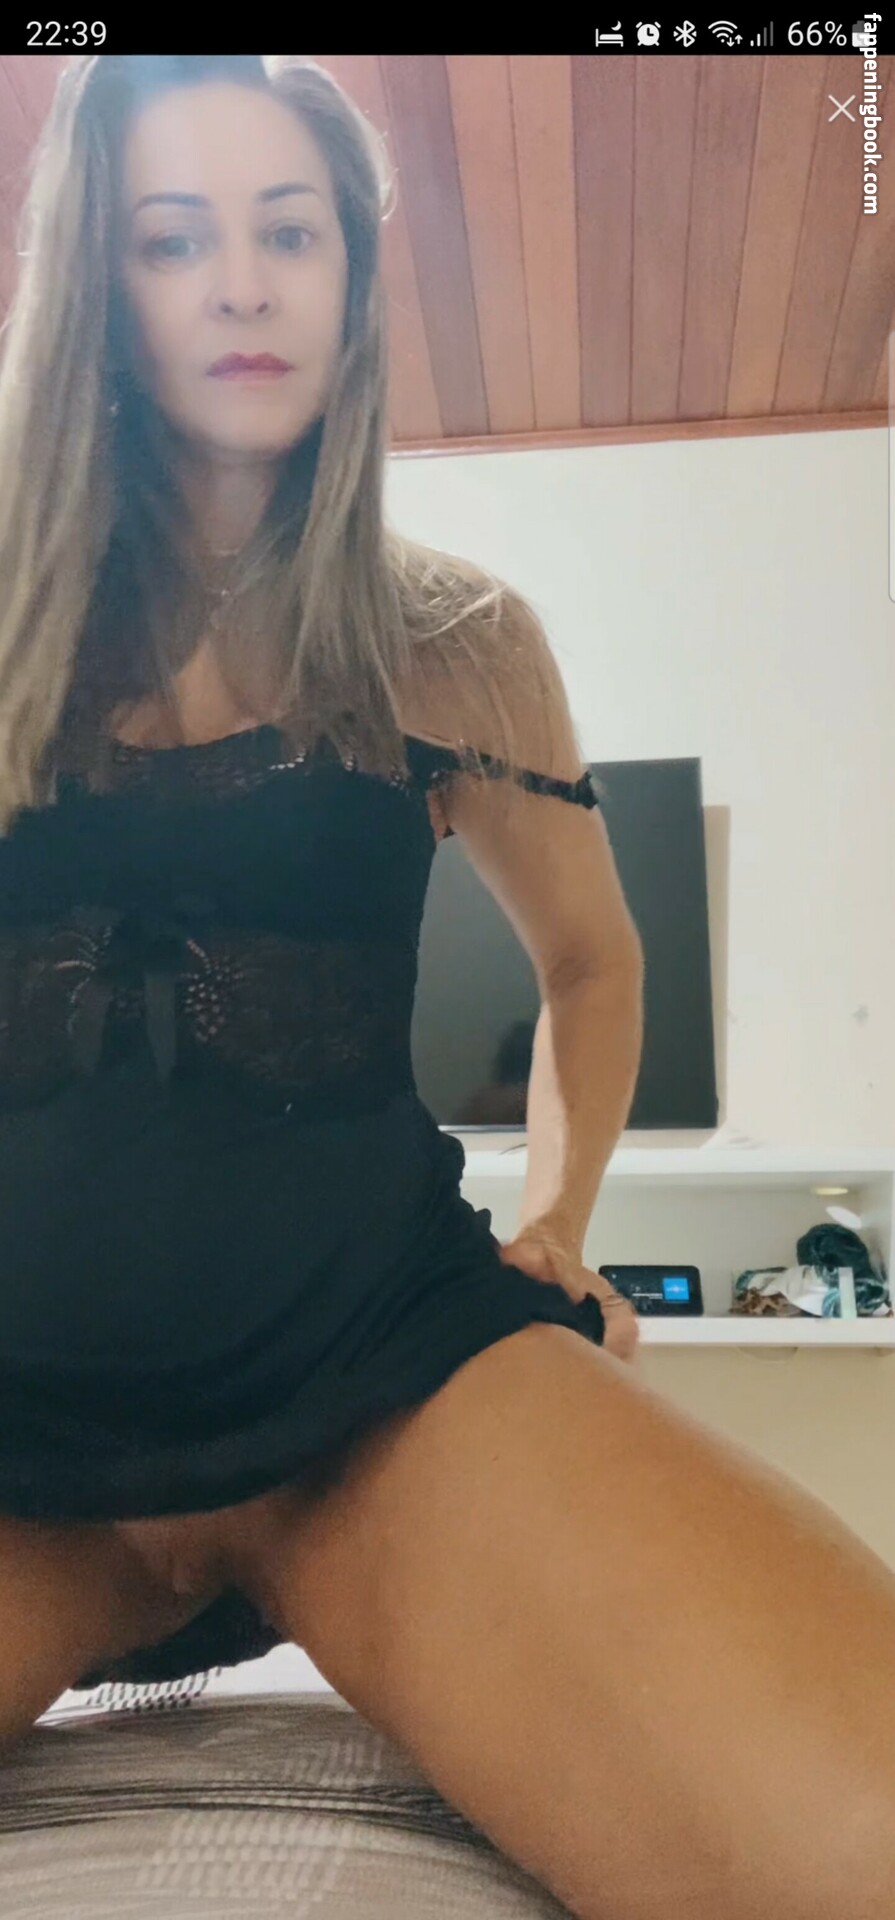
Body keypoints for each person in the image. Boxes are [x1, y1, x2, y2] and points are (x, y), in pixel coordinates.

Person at [0, 55, 893, 1920]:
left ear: (351, 276)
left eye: (289, 230)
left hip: (383, 1391)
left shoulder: (453, 644)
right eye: (172, 239)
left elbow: (592, 960)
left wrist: (561, 1216)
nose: (241, 283)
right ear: (95, 283)